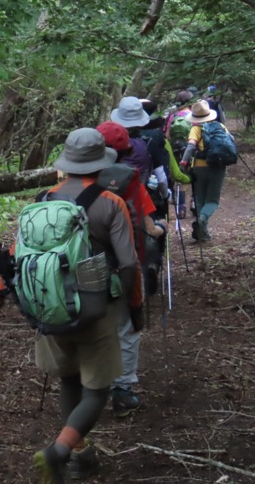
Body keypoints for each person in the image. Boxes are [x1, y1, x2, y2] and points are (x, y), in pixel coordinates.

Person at [0, 128, 141, 483]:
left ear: (66, 165)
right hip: (95, 308)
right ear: (101, 166)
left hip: (47, 306)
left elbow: (12, 259)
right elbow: (129, 263)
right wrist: (131, 306)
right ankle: (58, 452)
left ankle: (81, 455)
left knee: (69, 380)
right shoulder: (110, 203)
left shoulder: (40, 201)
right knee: (98, 390)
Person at [96, 121, 167, 418]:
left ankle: (89, 390)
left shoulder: (76, 181)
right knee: (126, 327)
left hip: (84, 267)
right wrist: (161, 229)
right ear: (126, 149)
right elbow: (148, 227)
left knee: (93, 325)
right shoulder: (131, 180)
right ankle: (122, 392)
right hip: (126, 265)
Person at [179, 100, 231, 241]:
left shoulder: (196, 129)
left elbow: (190, 147)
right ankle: (203, 223)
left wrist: (183, 162)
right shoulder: (220, 126)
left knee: (200, 199)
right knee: (213, 200)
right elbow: (230, 141)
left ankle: (202, 228)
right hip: (218, 167)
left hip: (199, 167)